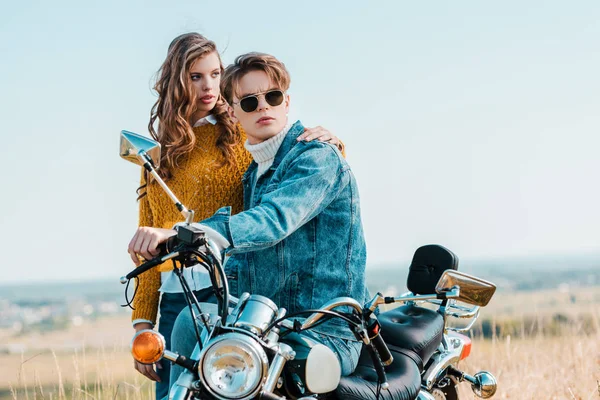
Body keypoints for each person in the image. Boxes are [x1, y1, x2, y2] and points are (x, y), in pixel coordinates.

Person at [126, 33, 342, 399]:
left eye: (215, 73)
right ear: (177, 82)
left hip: (231, 290)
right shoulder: (158, 157)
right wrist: (142, 322)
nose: (209, 86)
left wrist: (329, 145)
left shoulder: (238, 134)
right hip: (175, 297)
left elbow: (283, 174)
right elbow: (150, 245)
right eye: (196, 76)